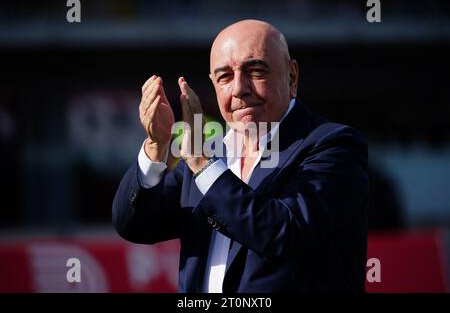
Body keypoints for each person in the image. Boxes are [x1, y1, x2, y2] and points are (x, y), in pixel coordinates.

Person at [112, 19, 369, 292]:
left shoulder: (334, 146)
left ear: (292, 76)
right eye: (224, 77)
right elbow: (135, 225)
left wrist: (202, 164)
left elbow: (282, 233)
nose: (238, 89)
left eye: (256, 71)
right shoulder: (209, 154)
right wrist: (156, 146)